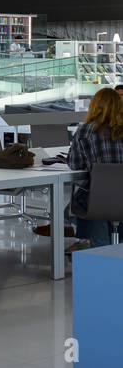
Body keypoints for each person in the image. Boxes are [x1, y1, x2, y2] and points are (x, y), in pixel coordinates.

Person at [68, 87, 123, 249]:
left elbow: (75, 164)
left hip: (98, 201)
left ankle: (99, 251)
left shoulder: (84, 130)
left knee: (82, 202)